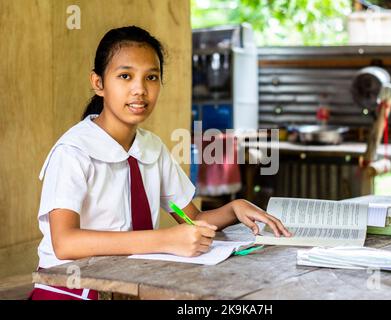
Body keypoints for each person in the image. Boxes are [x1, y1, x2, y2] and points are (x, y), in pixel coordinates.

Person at [29, 26, 291, 300]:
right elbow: (65, 242)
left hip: (131, 286)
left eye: (151, 77)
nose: (140, 89)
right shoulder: (73, 151)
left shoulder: (151, 147)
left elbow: (192, 218)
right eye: (125, 76)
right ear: (99, 84)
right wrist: (166, 240)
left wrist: (234, 209)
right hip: (72, 291)